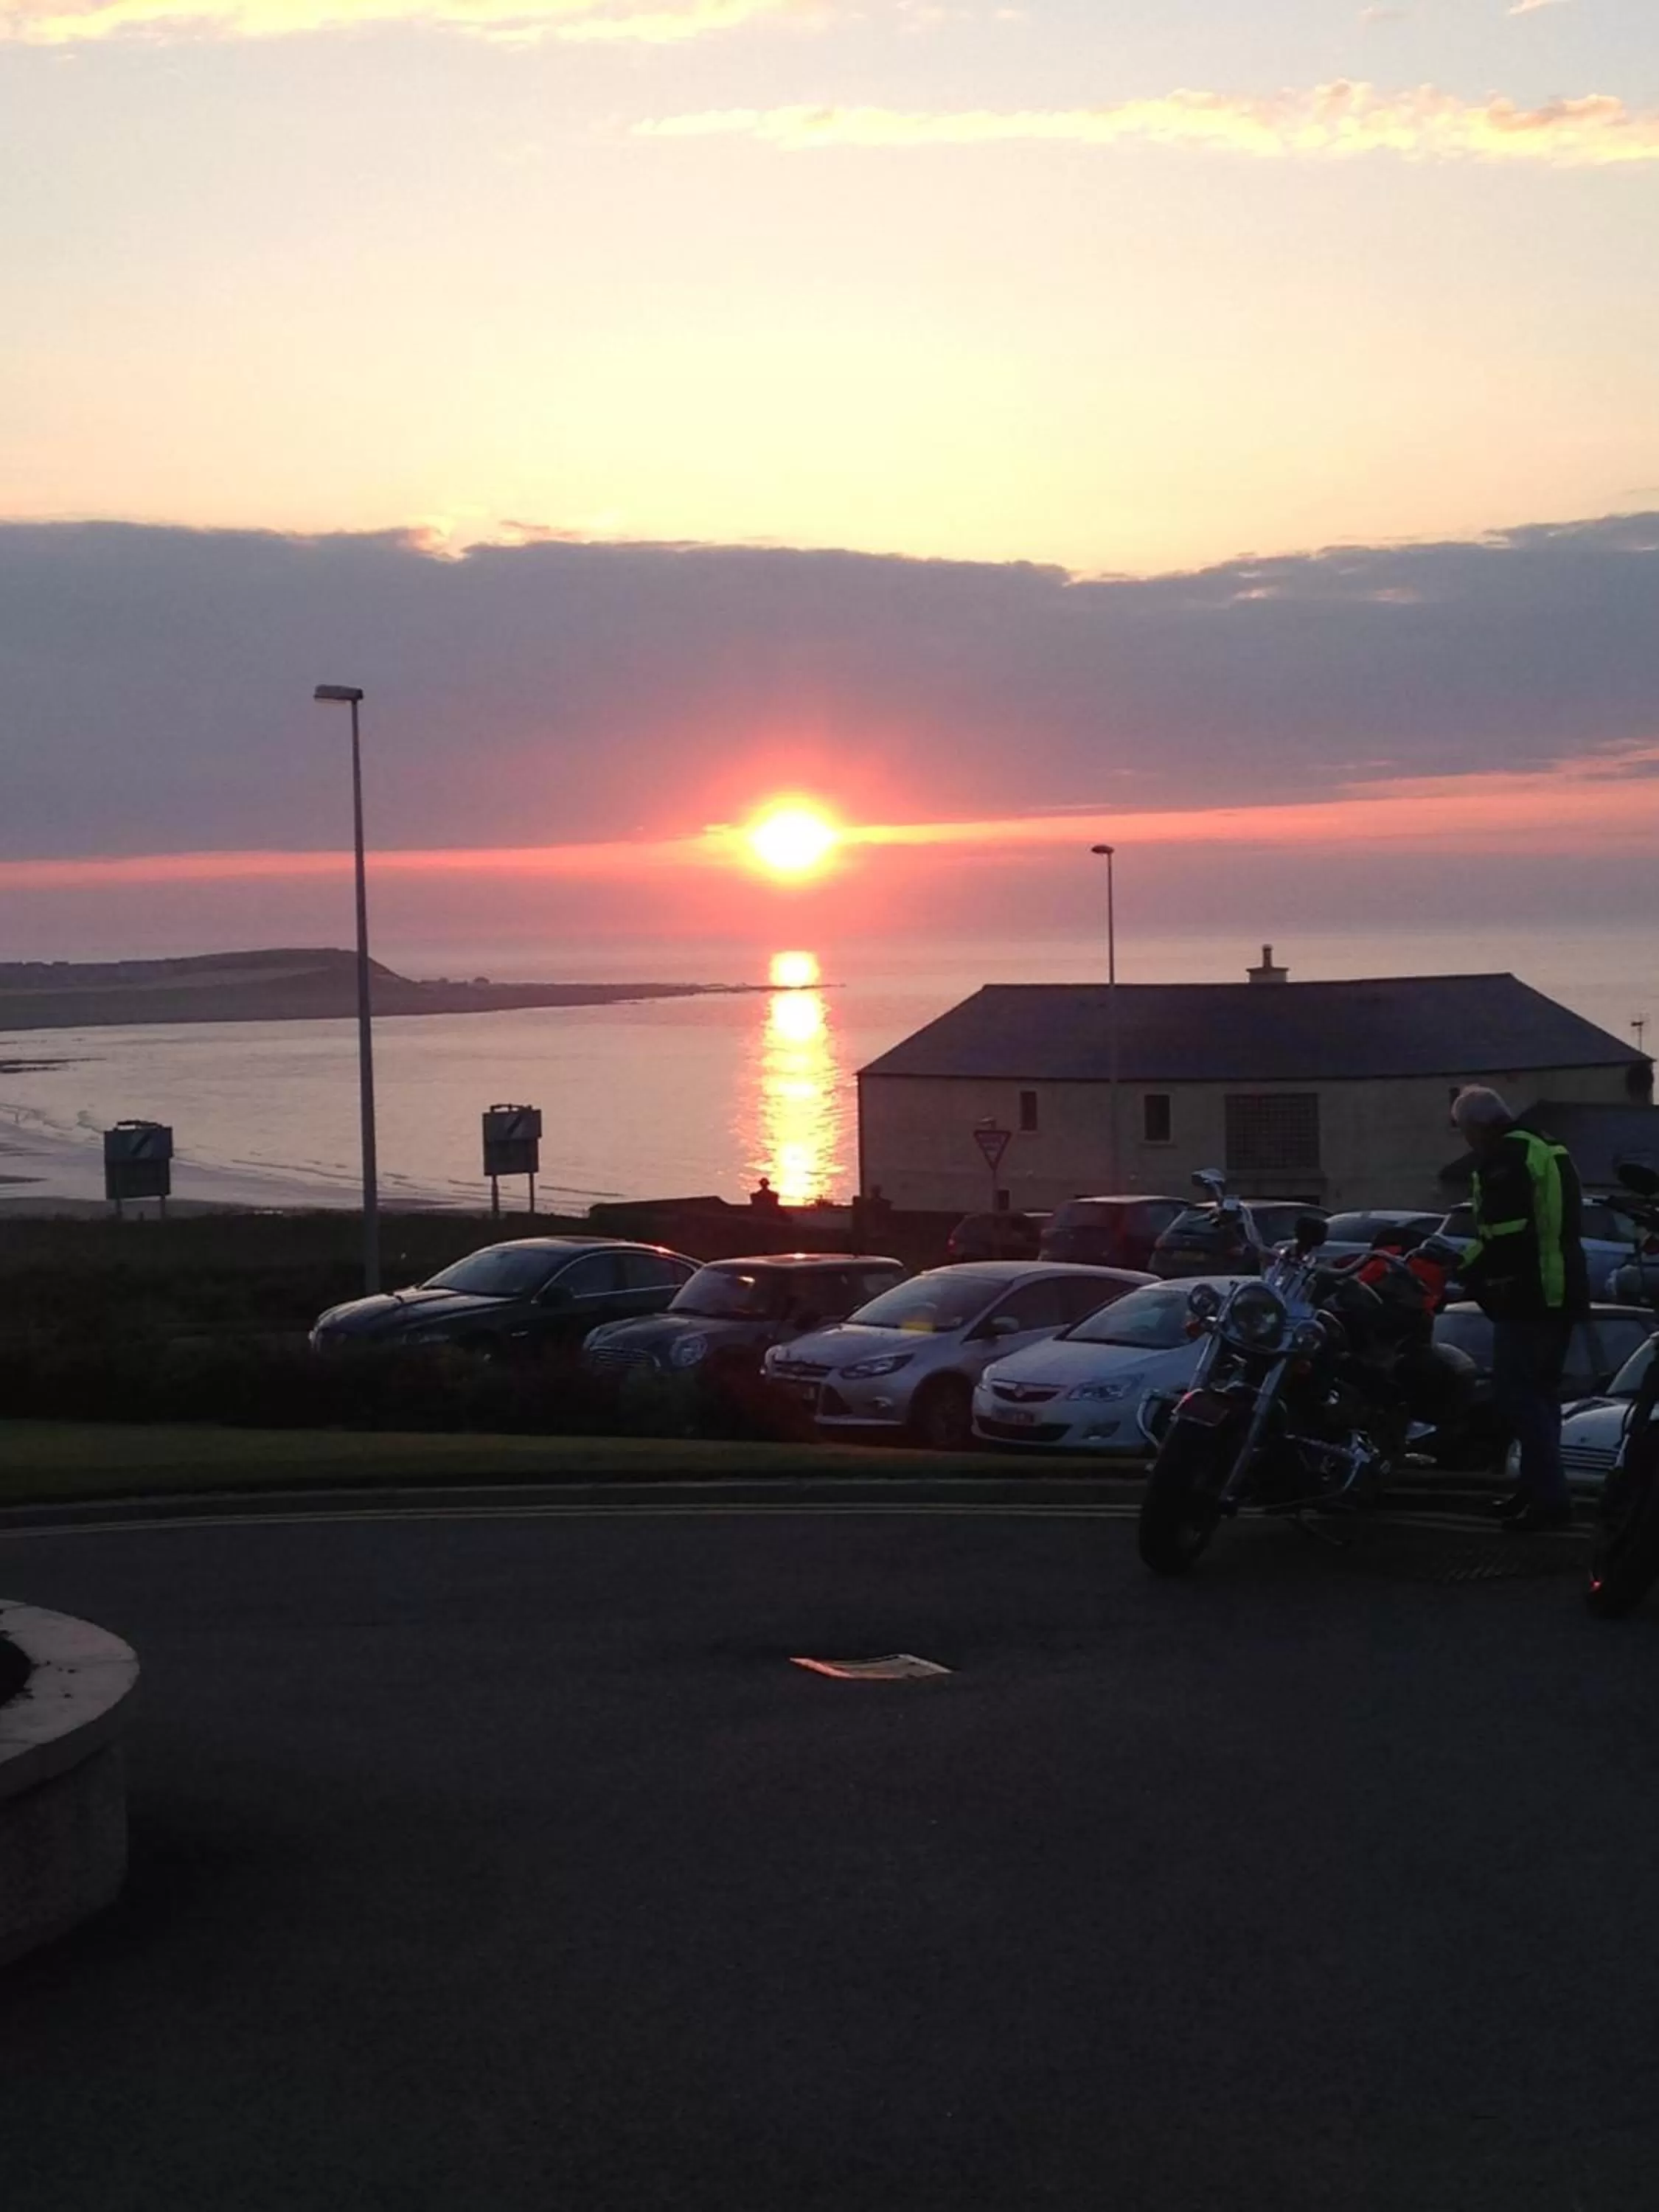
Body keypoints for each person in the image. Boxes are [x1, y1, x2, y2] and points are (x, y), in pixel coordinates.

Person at [1450, 1085, 1587, 1532]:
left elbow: (1505, 1234)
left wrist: (1462, 1267)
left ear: (1479, 1125)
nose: (1466, 1141)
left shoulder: (1505, 1158)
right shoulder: (1547, 1145)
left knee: (1519, 1395)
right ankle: (1537, 1490)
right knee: (1543, 1395)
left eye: (1465, 1130)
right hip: (1564, 1286)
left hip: (1528, 1292)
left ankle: (1549, 1499)